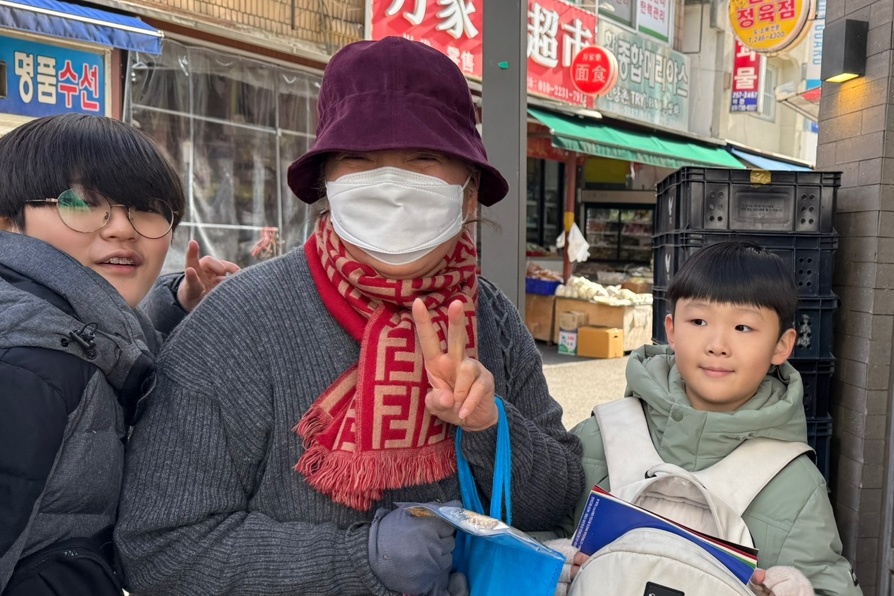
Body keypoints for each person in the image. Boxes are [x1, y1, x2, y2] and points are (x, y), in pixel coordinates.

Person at [114, 35, 585, 596]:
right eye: (360, 159)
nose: (391, 185)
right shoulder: (237, 325)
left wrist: (489, 426)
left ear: (468, 191)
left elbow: (561, 498)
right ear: (328, 186)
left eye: (424, 158)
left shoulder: (494, 320)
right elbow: (159, 549)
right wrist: (359, 560)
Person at [0, 113, 239, 595]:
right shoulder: (29, 366)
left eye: (147, 207)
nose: (123, 229)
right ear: (8, 223)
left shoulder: (56, 331)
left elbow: (101, 343)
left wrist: (176, 309)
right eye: (83, 202)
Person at [553, 241, 861, 596]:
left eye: (743, 327)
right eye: (698, 321)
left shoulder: (794, 484)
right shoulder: (601, 436)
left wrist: (800, 590)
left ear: (781, 345)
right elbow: (533, 533)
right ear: (671, 329)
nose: (717, 345)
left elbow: (830, 584)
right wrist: (548, 564)